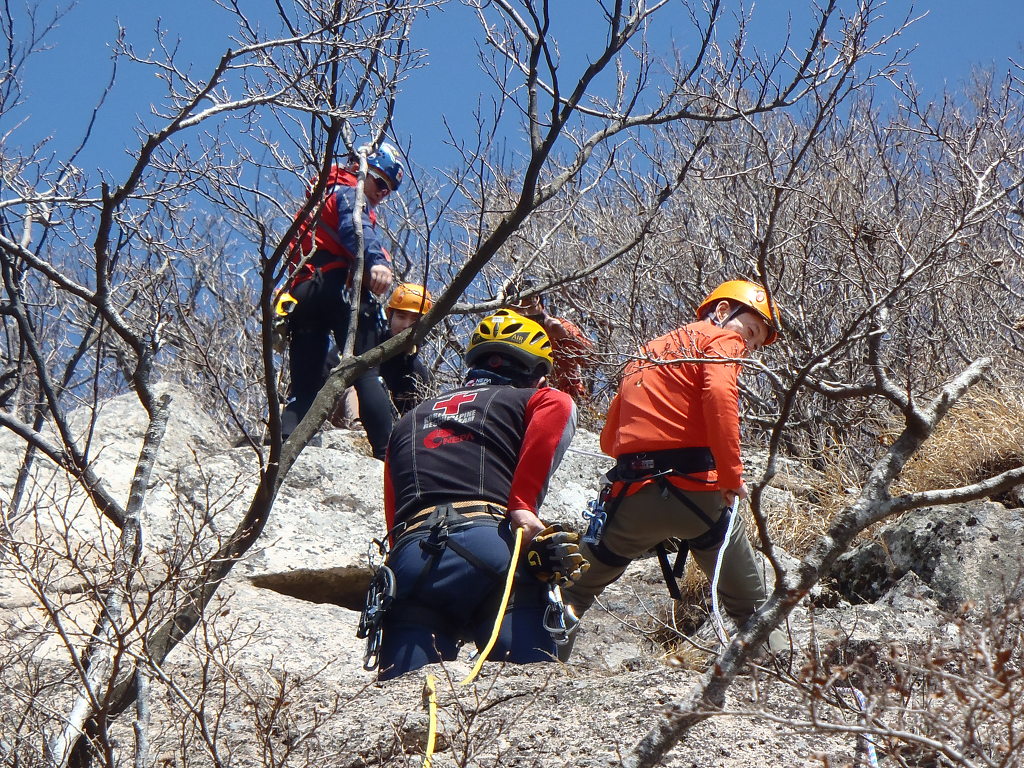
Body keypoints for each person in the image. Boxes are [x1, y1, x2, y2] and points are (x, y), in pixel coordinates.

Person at [562, 279, 788, 657]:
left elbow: (609, 440)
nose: (747, 347)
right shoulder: (721, 341)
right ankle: (783, 681)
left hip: (631, 497)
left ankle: (533, 660)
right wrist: (731, 476)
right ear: (722, 312)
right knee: (751, 607)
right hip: (698, 497)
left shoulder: (645, 352)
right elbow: (719, 396)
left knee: (573, 592)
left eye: (754, 342)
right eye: (749, 332)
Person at [373, 309, 581, 680]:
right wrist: (522, 507)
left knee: (401, 701)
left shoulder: (408, 420)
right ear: (535, 372)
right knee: (523, 690)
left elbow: (394, 509)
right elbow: (560, 408)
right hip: (492, 543)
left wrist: (399, 553)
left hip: (410, 558)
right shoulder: (536, 398)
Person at [279, 143, 403, 458]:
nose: (382, 194)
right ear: (361, 171)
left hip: (304, 295)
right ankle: (387, 454)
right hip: (337, 288)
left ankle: (283, 443)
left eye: (388, 190)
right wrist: (377, 261)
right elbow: (356, 230)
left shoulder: (318, 198)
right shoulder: (349, 193)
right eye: (380, 182)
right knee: (365, 370)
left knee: (305, 388)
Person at [505, 283, 595, 401]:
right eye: (519, 309)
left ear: (541, 306)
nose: (526, 313)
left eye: (530, 306)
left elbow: (592, 360)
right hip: (521, 402)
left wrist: (566, 337)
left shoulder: (561, 326)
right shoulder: (505, 334)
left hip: (566, 400)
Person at [380, 283, 434, 415]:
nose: (406, 325)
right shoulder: (366, 345)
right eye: (401, 316)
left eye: (415, 320)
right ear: (389, 315)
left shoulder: (420, 376)